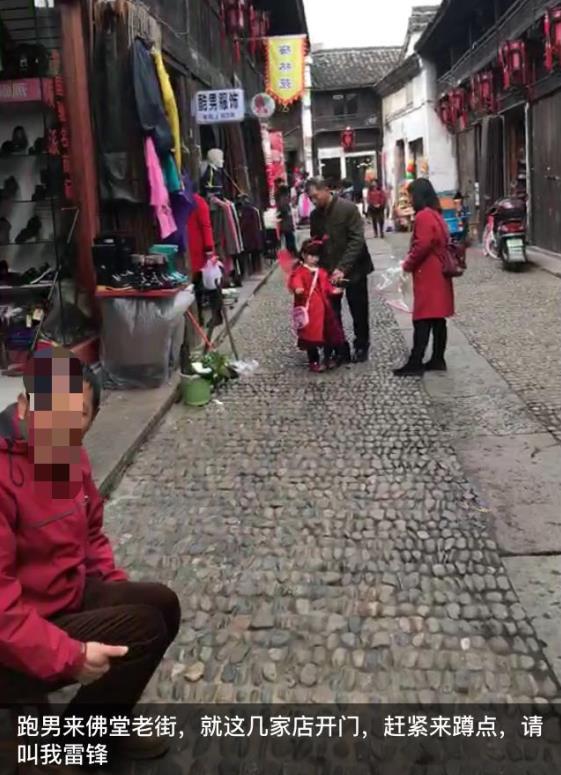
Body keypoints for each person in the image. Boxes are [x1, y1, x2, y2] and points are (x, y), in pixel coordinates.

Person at [0, 348, 180, 760]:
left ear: (92, 419)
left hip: (62, 599)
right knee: (144, 628)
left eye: (76, 413)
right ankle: (70, 751)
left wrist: (117, 591)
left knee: (161, 604)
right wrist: (72, 657)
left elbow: (92, 535)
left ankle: (97, 726)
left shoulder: (70, 457)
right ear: (25, 406)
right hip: (13, 637)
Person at [308, 176, 374, 363]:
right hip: (329, 270)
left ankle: (361, 345)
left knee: (359, 310)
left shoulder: (348, 209)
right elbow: (316, 243)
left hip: (355, 268)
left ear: (325, 190)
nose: (314, 201)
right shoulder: (315, 216)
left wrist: (343, 268)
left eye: (315, 196)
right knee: (332, 312)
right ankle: (339, 347)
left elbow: (356, 240)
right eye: (310, 198)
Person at [393, 178, 455, 376]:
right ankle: (437, 358)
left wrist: (408, 264)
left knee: (422, 318)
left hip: (429, 273)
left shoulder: (423, 216)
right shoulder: (436, 214)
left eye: (411, 195)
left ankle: (416, 362)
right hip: (438, 272)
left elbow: (422, 245)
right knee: (437, 319)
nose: (410, 199)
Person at [288, 239, 347, 373]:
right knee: (310, 336)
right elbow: (295, 280)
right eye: (311, 255)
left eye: (316, 256)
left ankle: (327, 357)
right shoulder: (300, 271)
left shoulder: (321, 272)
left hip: (323, 309)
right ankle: (313, 360)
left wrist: (333, 290)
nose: (314, 259)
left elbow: (326, 286)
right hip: (309, 309)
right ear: (304, 255)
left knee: (326, 334)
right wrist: (298, 288)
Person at [276, 183, 296, 255]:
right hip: (287, 222)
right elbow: (284, 210)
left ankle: (291, 252)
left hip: (285, 223)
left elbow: (282, 210)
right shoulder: (284, 198)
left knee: (288, 237)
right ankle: (292, 252)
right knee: (289, 237)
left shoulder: (282, 198)